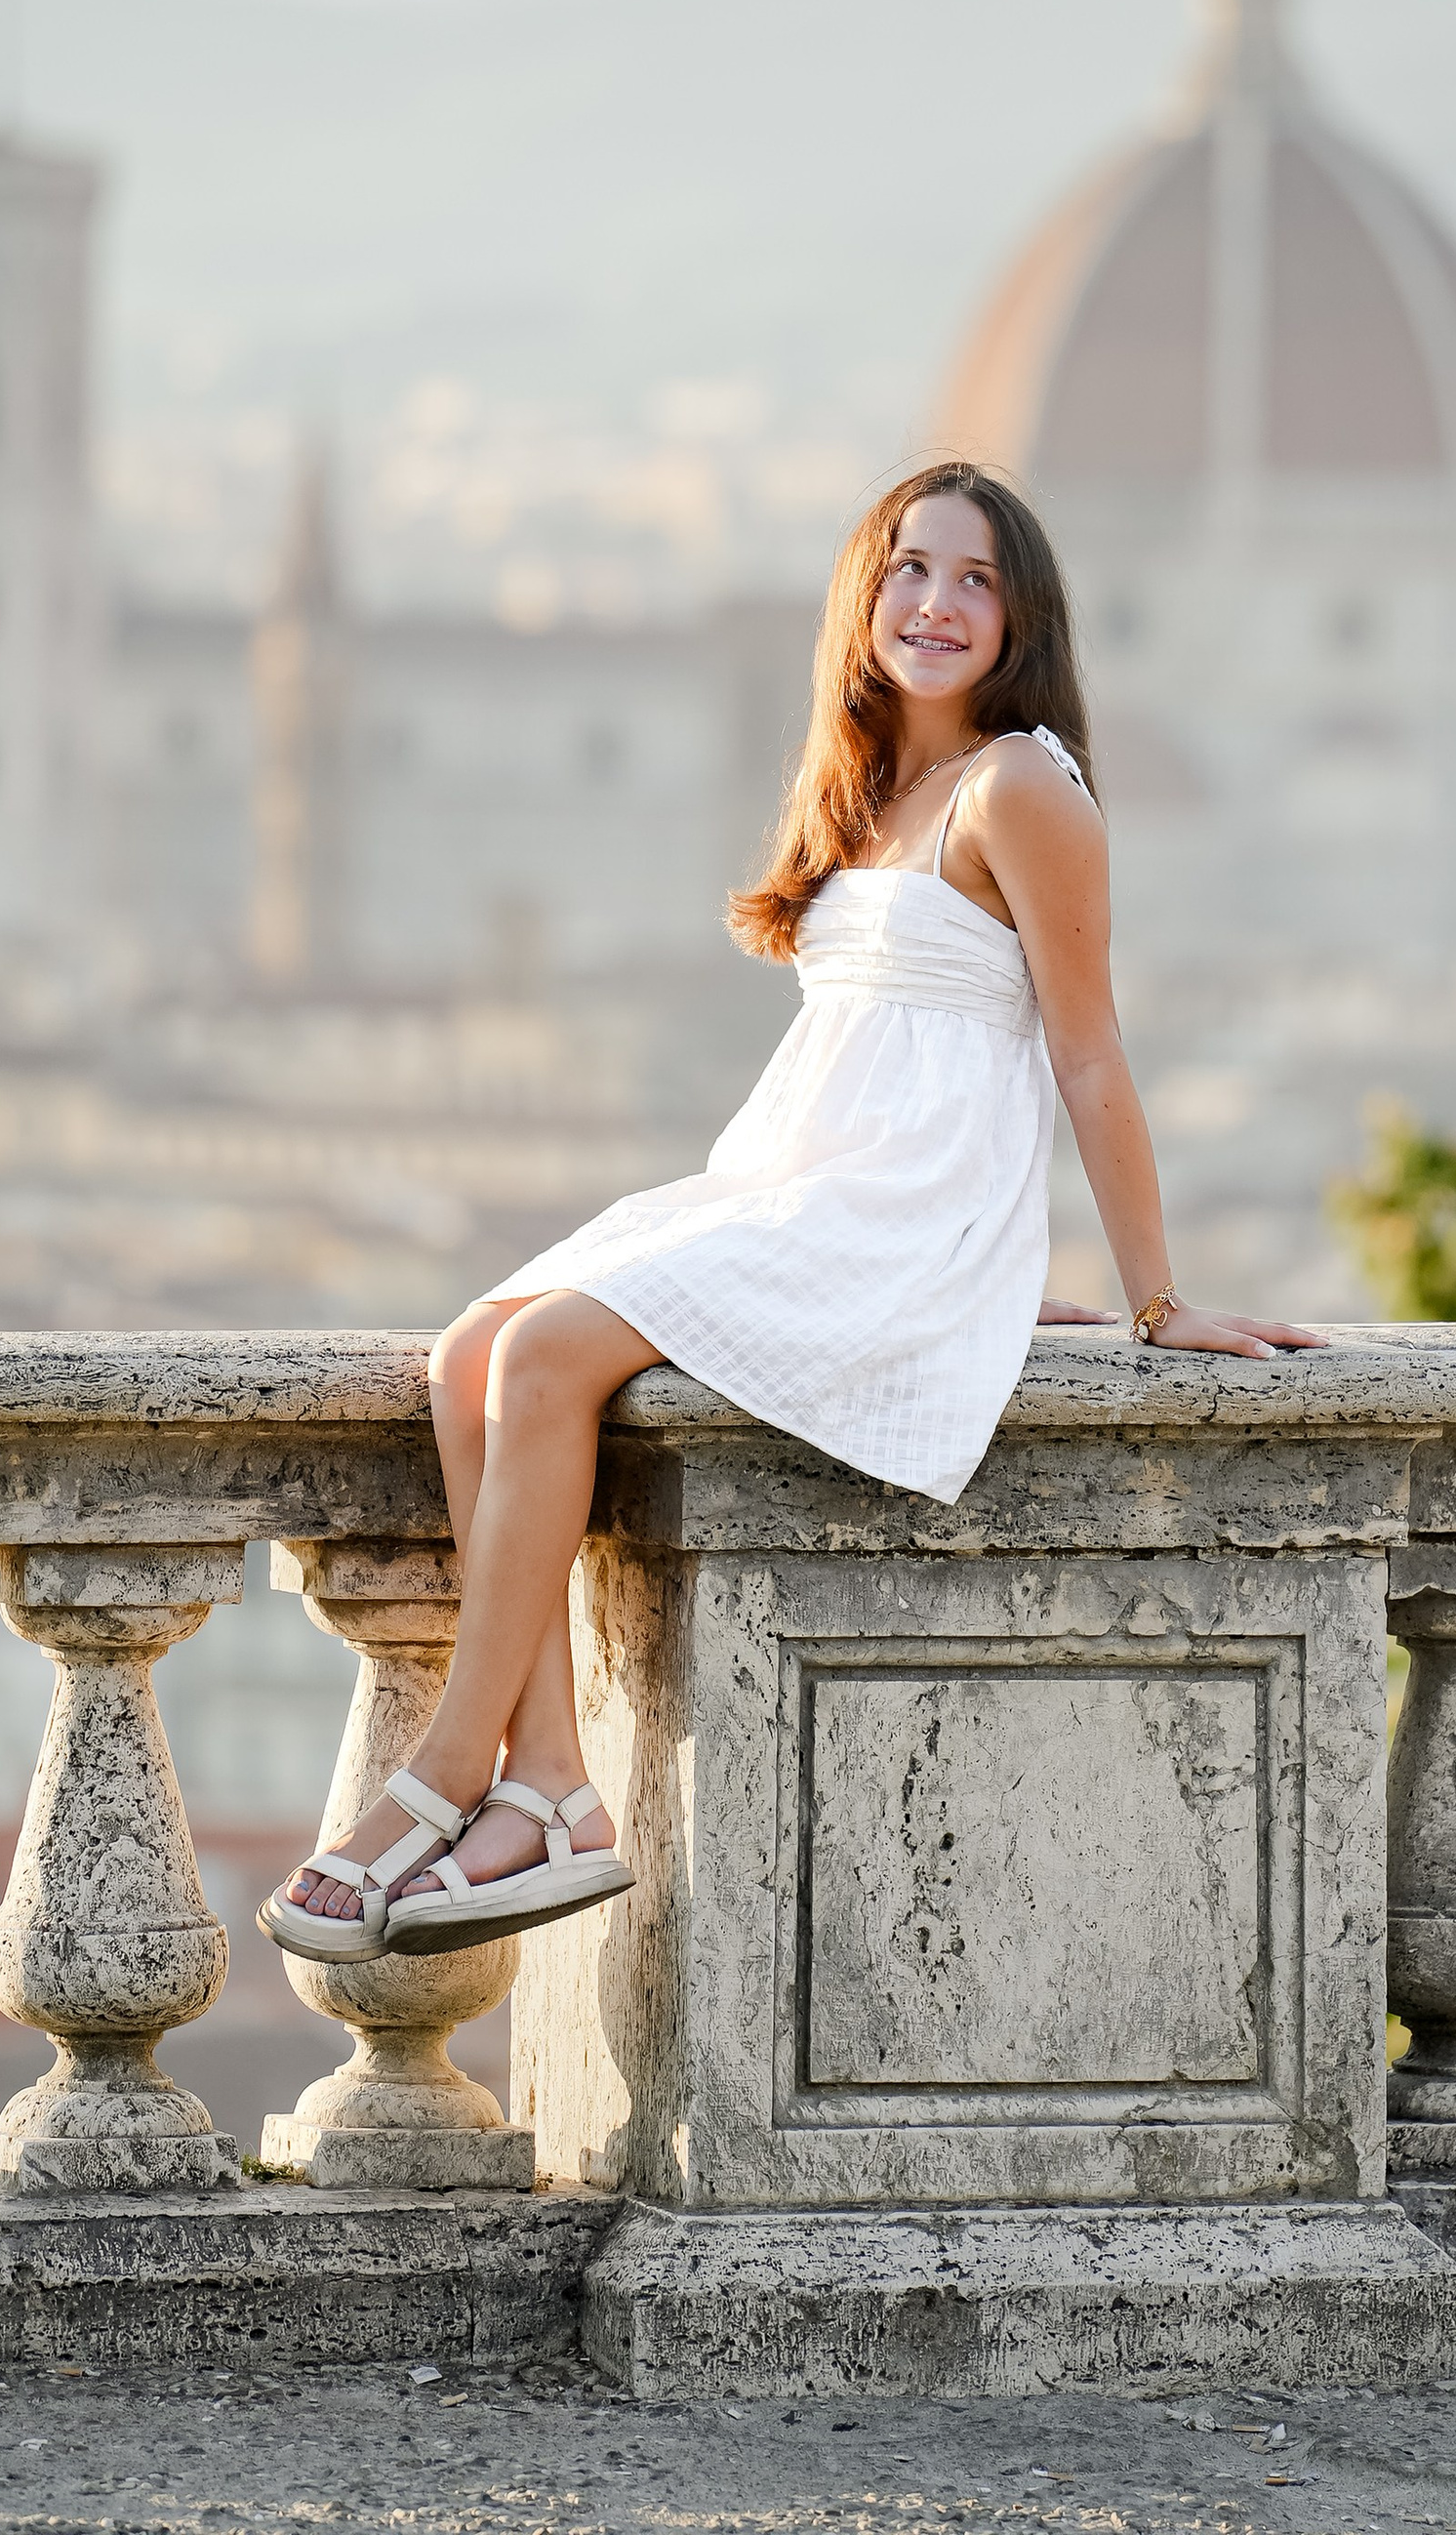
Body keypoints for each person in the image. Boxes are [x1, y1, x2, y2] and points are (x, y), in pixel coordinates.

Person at [262, 458, 1322, 1962]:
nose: (939, 604)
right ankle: (554, 1784)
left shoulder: (1022, 785)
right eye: (909, 569)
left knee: (551, 1352)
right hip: (802, 1177)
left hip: (893, 1212)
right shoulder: (873, 788)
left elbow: (1084, 1048)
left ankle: (447, 1773)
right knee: (467, 1357)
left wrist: (1150, 1299)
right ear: (862, 596)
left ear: (1024, 620)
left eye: (976, 580)